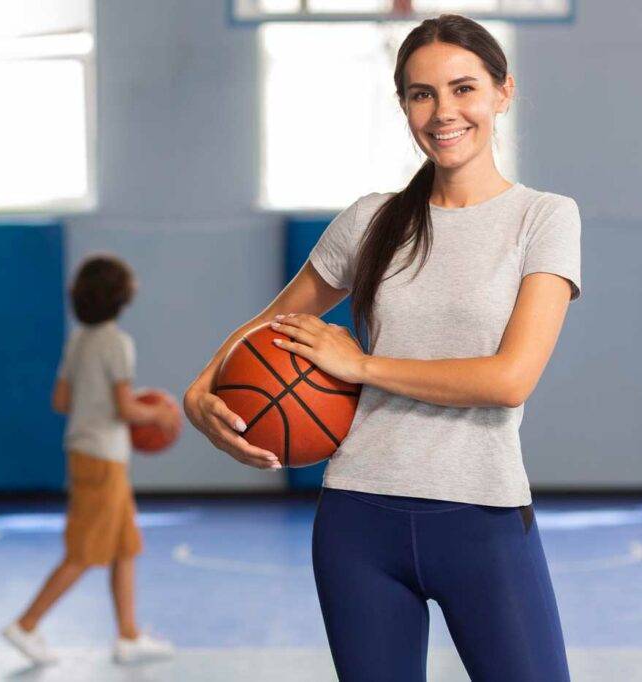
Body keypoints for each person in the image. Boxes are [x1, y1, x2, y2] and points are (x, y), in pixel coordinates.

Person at [184, 14, 579, 682]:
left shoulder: (543, 217)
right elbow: (270, 326)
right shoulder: (371, 219)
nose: (443, 111)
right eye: (422, 94)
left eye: (463, 89)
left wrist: (362, 366)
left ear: (502, 93)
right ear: (403, 106)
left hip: (482, 518)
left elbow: (510, 379)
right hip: (358, 520)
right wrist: (199, 394)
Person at [2, 254, 179, 666]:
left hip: (86, 453)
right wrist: (159, 413)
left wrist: (105, 402)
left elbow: (61, 400)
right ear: (121, 297)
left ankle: (129, 636)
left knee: (124, 548)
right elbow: (126, 410)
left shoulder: (78, 340)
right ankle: (25, 625)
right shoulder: (117, 342)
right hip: (103, 458)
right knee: (83, 553)